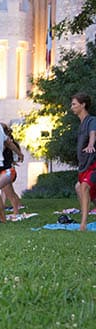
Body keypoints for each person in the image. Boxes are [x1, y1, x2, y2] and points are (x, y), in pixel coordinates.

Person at [70, 92, 96, 231]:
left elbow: (93, 133)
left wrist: (91, 144)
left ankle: (83, 224)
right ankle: (86, 214)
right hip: (83, 165)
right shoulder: (80, 124)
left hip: (93, 164)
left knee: (84, 186)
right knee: (79, 188)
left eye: (74, 104)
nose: (71, 107)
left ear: (83, 104)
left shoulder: (91, 120)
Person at [0, 123, 25, 215]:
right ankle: (14, 210)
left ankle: (15, 211)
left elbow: (7, 149)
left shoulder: (6, 142)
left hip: (8, 171)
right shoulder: (3, 141)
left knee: (3, 191)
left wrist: (20, 155)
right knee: (9, 192)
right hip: (2, 171)